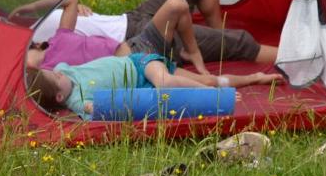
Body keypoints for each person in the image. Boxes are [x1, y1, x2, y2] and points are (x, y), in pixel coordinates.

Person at [10, 0, 277, 71]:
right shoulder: (27, 55)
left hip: (131, 16)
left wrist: (33, 8)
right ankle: (296, 58)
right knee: (240, 41)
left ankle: (216, 37)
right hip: (138, 40)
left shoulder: (32, 25)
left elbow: (70, 1)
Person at [26, 46, 282, 120]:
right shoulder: (77, 100)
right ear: (60, 97)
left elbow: (39, 67)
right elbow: (94, 109)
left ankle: (211, 94)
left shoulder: (62, 70)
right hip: (142, 87)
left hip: (140, 64)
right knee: (207, 78)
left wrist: (35, 74)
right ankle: (254, 78)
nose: (59, 73)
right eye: (57, 79)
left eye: (54, 72)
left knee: (166, 81)